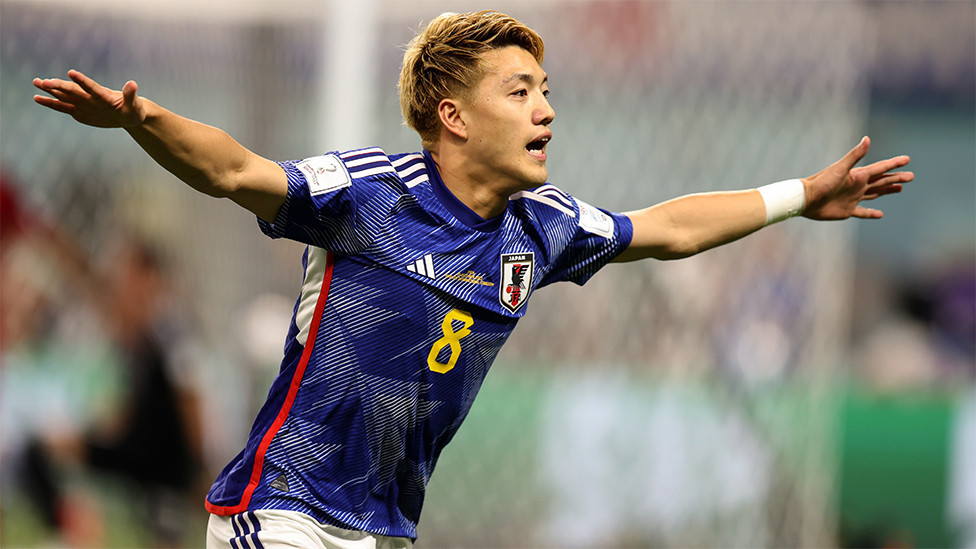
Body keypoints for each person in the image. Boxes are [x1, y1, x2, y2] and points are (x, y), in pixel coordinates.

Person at [33, 10, 912, 549]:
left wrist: (800, 195)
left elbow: (671, 228)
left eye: (546, 90)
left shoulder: (545, 227)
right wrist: (141, 120)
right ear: (453, 116)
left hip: (384, 527)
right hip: (283, 506)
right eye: (522, 91)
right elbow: (236, 172)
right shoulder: (371, 194)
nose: (548, 109)